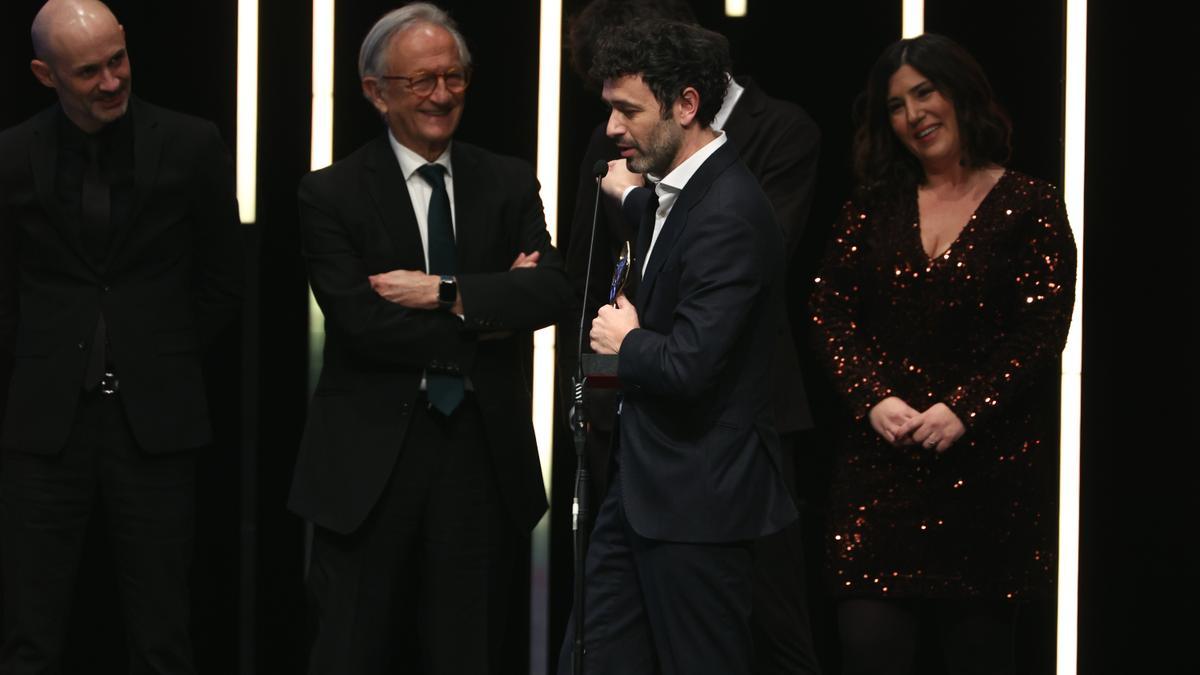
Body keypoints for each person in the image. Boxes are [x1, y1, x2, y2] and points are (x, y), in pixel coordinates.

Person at [285, 3, 572, 673]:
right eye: (421, 81)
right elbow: (362, 323)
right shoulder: (329, 194)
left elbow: (554, 291)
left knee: (466, 651)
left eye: (455, 76)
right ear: (375, 91)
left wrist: (442, 291)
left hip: (480, 451)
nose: (443, 94)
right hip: (368, 462)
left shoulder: (507, 179)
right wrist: (492, 303)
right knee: (350, 649)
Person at [560, 2, 823, 672]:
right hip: (640, 486)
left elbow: (691, 362)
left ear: (686, 103)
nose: (613, 128)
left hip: (697, 503)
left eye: (629, 111)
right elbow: (664, 213)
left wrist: (627, 338)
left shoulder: (732, 211)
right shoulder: (677, 194)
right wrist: (631, 197)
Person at [809, 33, 1076, 675]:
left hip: (987, 479)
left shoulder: (1031, 205)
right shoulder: (871, 207)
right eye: (897, 105)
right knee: (869, 650)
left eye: (924, 92)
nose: (914, 114)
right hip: (880, 473)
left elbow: (1040, 332)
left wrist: (963, 409)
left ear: (958, 94)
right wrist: (873, 398)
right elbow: (828, 310)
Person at [0, 0, 243, 672]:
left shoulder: (193, 143)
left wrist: (157, 355)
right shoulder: (13, 155)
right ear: (44, 74)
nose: (111, 81)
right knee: (29, 634)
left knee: (164, 633)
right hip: (44, 427)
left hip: (157, 425)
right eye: (88, 71)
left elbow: (224, 279)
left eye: (118, 60)